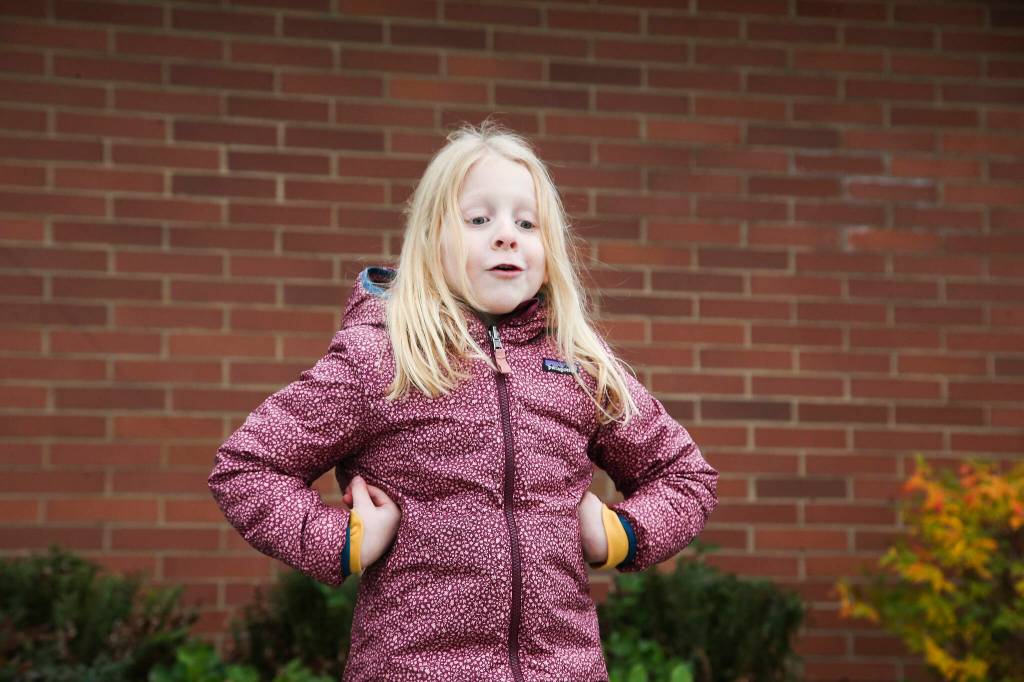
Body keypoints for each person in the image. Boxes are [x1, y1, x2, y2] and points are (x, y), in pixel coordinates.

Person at [208, 120, 719, 681]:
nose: (507, 235)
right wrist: (342, 540)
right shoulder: (386, 357)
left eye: (527, 222)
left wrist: (617, 534)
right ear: (431, 238)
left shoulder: (577, 363)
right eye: (479, 219)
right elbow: (247, 466)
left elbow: (683, 475)